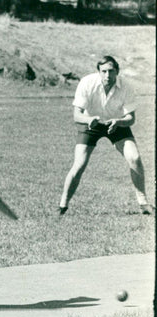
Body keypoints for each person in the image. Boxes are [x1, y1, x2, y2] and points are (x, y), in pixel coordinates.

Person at [58, 56, 152, 215]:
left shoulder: (127, 86)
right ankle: (62, 206)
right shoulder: (87, 83)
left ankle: (143, 204)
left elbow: (131, 119)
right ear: (98, 72)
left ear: (117, 72)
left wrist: (118, 122)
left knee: (134, 158)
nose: (107, 75)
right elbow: (76, 115)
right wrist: (89, 120)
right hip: (90, 124)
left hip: (116, 124)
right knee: (79, 164)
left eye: (111, 71)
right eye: (104, 71)